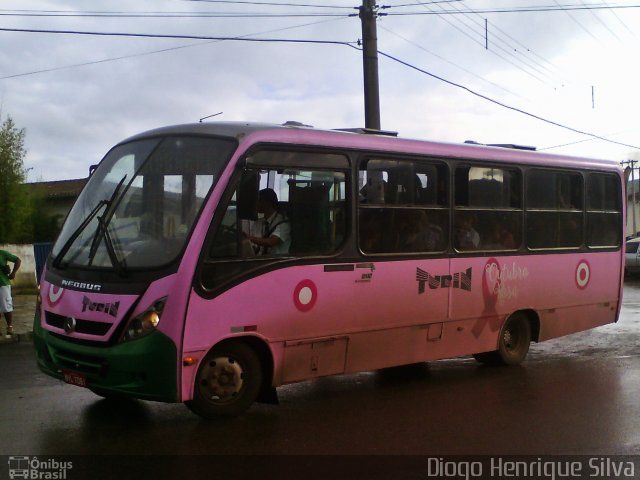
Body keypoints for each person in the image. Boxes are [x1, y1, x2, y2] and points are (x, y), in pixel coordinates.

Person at [248, 188, 291, 255]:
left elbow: (271, 242)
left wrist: (249, 238)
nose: (256, 204)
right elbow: (254, 245)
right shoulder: (258, 222)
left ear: (268, 203)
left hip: (276, 262)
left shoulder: (283, 222)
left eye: (259, 200)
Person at [0, 249, 21, 338]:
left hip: (3, 283)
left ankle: (9, 327)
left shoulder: (2, 253)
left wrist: (13, 273)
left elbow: (17, 260)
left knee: (6, 306)